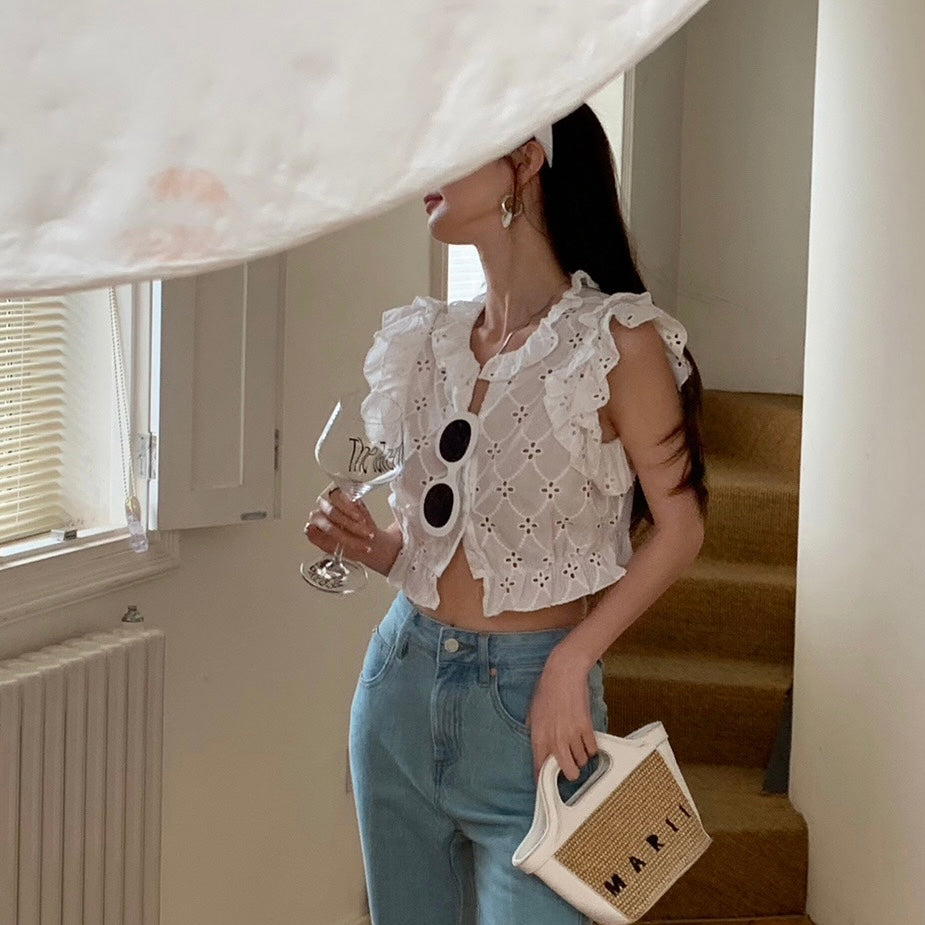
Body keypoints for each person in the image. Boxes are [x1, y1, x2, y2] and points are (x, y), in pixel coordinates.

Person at [304, 103, 708, 925]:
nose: (428, 172)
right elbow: (440, 544)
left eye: (456, 148)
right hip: (397, 687)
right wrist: (374, 545)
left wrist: (573, 660)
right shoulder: (427, 341)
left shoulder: (616, 342)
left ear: (525, 161)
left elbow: (681, 527)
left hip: (532, 708)